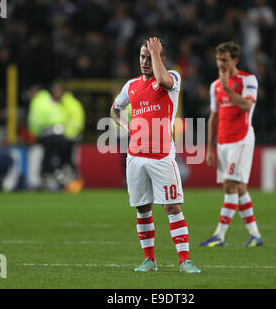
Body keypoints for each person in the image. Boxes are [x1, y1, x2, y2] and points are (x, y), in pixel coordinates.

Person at [111, 37, 201, 273]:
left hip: (162, 156)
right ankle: (149, 260)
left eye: (149, 57)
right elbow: (115, 109)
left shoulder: (172, 78)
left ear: (161, 59)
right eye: (142, 56)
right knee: (142, 208)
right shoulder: (130, 85)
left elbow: (163, 80)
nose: (144, 61)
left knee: (173, 207)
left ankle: (184, 261)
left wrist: (155, 52)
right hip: (135, 157)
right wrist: (126, 126)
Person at [200, 42, 263, 247]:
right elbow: (213, 118)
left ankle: (220, 235)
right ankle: (255, 235)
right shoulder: (214, 85)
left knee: (229, 184)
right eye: (218, 60)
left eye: (225, 60)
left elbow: (246, 105)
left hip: (241, 138)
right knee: (239, 186)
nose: (221, 65)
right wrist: (210, 148)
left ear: (235, 60)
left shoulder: (247, 80)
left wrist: (227, 87)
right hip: (223, 141)